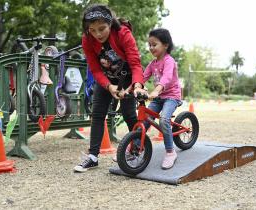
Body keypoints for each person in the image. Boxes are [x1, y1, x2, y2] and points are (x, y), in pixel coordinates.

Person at [74, 4, 146, 172]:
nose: (98, 34)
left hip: (128, 76)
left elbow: (135, 64)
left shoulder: (123, 33)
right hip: (106, 79)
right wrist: (109, 86)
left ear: (110, 23)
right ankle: (92, 157)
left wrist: (136, 85)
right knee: (98, 114)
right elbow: (95, 69)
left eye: (102, 28)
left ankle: (137, 149)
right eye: (92, 30)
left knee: (129, 114)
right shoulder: (87, 39)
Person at [143, 28, 182, 169]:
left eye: (155, 44)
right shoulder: (152, 64)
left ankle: (171, 152)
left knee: (164, 119)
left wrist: (156, 90)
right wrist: (132, 88)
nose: (151, 48)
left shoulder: (169, 61)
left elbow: (166, 78)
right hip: (159, 97)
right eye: (150, 45)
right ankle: (133, 148)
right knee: (144, 118)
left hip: (171, 96)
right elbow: (142, 77)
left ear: (165, 45)